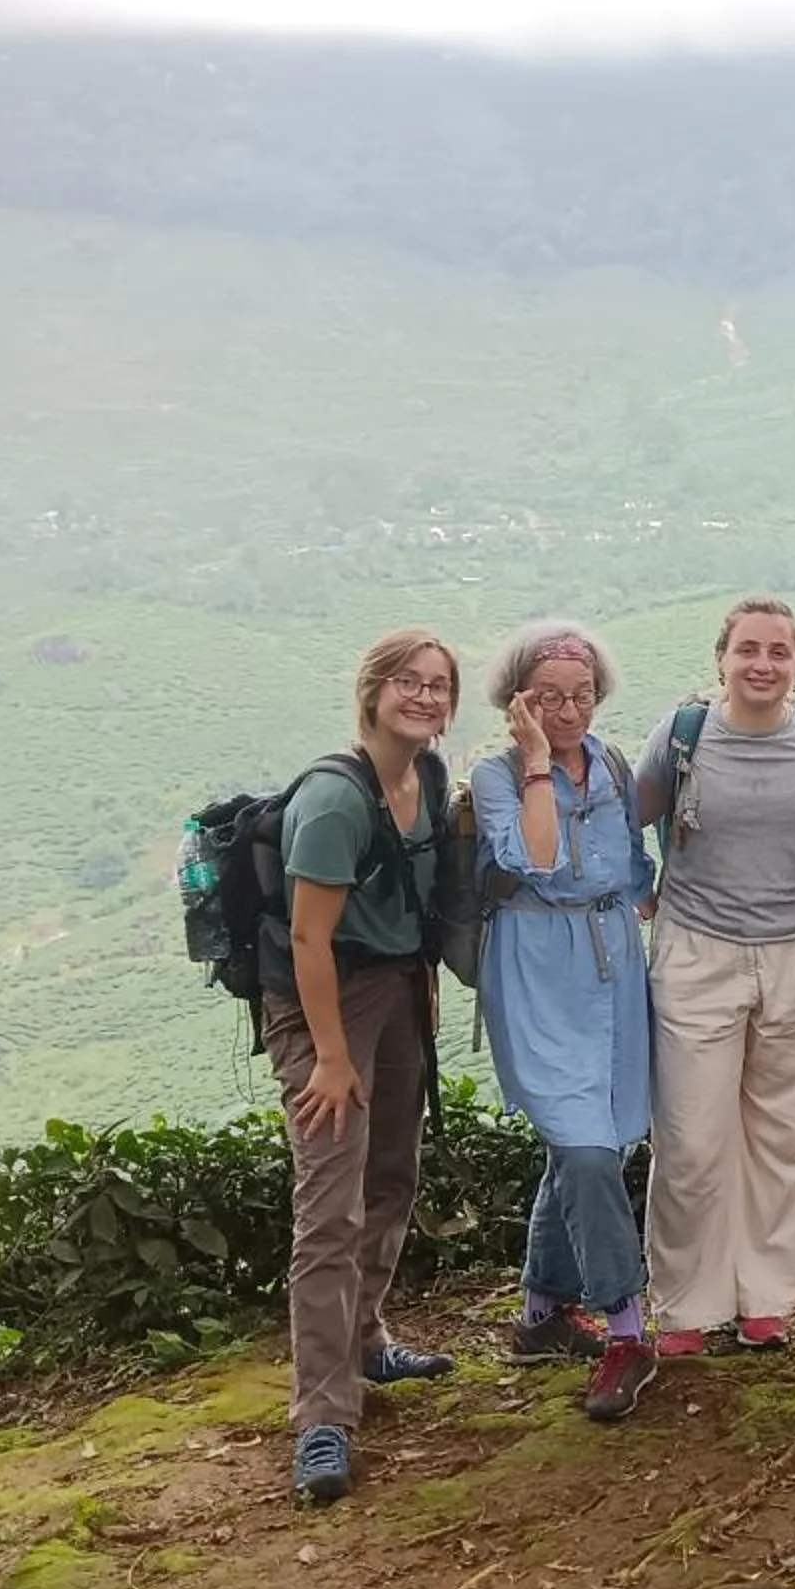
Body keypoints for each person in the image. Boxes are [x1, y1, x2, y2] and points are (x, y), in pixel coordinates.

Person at [265, 627, 461, 1504]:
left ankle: (367, 1338)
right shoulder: (337, 800)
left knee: (391, 1175)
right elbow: (309, 936)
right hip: (327, 1004)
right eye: (409, 683)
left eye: (438, 685)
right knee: (330, 1204)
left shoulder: (424, 777)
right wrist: (331, 1059)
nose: (424, 697)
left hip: (397, 991)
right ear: (373, 691)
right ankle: (322, 1417)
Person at [634, 597, 795, 1355]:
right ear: (721, 657)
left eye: (778, 652)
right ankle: (686, 1305)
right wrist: (638, 890)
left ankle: (765, 1298)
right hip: (698, 952)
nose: (762, 664)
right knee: (691, 1139)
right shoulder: (686, 736)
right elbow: (626, 817)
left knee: (783, 1136)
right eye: (748, 649)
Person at [470, 621, 658, 1420]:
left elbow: (638, 866)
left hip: (615, 965)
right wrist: (539, 764)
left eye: (580, 695)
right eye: (548, 697)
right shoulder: (497, 775)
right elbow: (537, 859)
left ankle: (545, 1310)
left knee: (598, 1140)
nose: (568, 709)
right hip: (538, 970)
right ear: (518, 700)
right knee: (581, 1147)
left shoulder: (613, 764)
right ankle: (628, 1329)